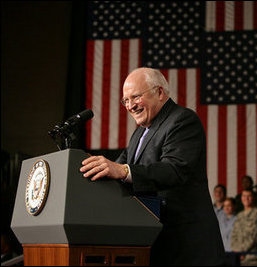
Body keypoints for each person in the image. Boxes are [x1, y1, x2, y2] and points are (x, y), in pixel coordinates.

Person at [80, 67, 224, 265]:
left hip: (186, 244)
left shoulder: (182, 120)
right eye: (126, 100)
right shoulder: (139, 133)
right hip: (155, 243)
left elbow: (174, 169)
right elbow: (118, 167)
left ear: (160, 92)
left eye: (136, 97)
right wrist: (87, 167)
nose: (130, 106)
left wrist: (121, 171)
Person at [230, 189, 257, 266]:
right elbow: (234, 235)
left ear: (253, 198)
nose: (246, 198)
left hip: (252, 258)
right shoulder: (239, 215)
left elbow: (255, 236)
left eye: (249, 196)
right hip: (238, 259)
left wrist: (242, 251)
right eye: (244, 196)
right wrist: (236, 251)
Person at [218, 197, 238, 265]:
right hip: (221, 253)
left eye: (229, 205)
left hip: (232, 253)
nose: (226, 208)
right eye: (225, 206)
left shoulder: (238, 220)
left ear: (234, 206)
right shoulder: (220, 220)